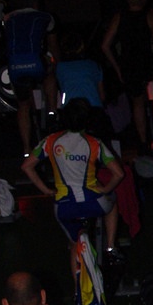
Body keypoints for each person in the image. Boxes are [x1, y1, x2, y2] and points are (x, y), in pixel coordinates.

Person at [21, 96, 125, 285]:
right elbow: (118, 174)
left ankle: (78, 290)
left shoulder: (50, 141)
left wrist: (46, 189)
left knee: (73, 245)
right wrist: (105, 188)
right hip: (93, 202)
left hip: (63, 207)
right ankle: (110, 248)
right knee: (113, 199)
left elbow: (27, 166)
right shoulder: (94, 143)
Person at [101, 0, 153, 151]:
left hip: (129, 66)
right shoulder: (149, 16)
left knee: (138, 103)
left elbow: (105, 46)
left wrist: (117, 68)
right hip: (147, 62)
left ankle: (143, 142)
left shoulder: (119, 17)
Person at [3, 0, 58, 156]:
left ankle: (26, 148)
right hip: (35, 63)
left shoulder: (8, 19)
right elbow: (53, 45)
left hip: (15, 66)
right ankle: (52, 112)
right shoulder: (46, 17)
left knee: (23, 105)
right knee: (49, 74)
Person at [54, 30, 105, 114]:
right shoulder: (93, 65)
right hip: (94, 109)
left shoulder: (60, 67)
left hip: (71, 111)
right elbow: (102, 96)